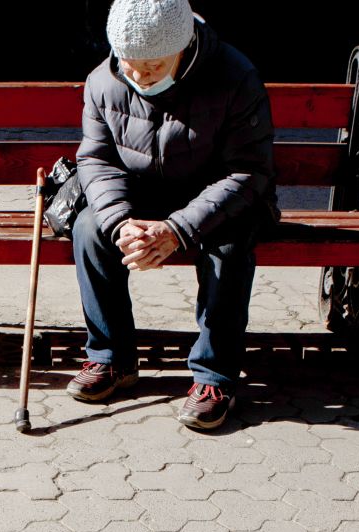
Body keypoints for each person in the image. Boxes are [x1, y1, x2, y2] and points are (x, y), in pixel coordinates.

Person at [67, 0, 279, 430]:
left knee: (229, 245)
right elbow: (96, 161)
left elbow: (249, 172)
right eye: (130, 65)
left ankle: (214, 377)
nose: (139, 76)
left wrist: (178, 229)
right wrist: (121, 222)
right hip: (142, 199)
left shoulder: (235, 76)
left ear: (182, 48)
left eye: (153, 66)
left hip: (221, 199)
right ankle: (110, 358)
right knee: (90, 228)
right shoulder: (102, 80)